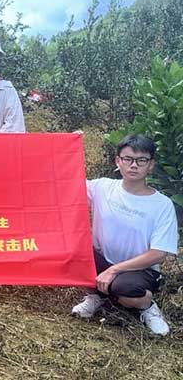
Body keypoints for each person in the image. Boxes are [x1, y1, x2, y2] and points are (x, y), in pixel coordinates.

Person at [71, 134, 178, 336]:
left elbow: (158, 253)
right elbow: (67, 185)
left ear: (151, 165)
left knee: (126, 289)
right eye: (127, 159)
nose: (133, 165)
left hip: (139, 270)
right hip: (102, 259)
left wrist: (114, 271)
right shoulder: (102, 187)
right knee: (72, 253)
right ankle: (95, 296)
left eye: (141, 160)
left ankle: (146, 306)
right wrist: (69, 147)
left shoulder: (162, 205)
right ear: (117, 161)